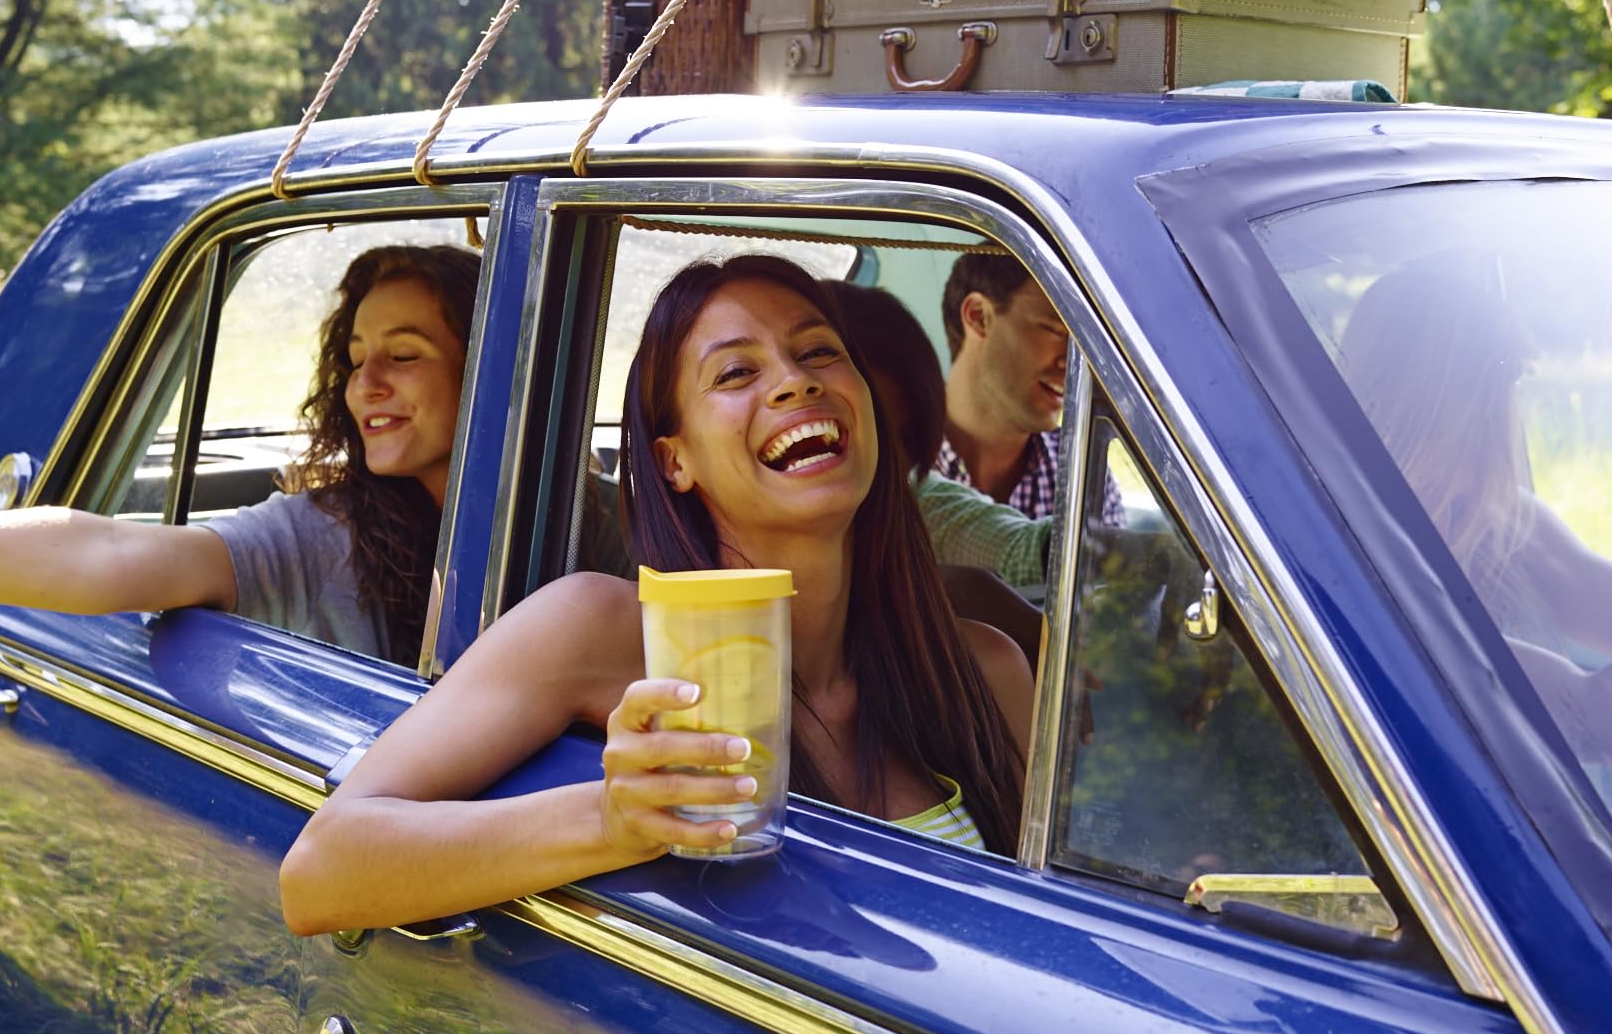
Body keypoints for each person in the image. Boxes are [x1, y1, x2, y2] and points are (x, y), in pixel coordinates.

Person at [279, 254, 1034, 936]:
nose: (796, 381)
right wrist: (610, 820)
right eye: (735, 373)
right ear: (675, 461)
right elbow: (319, 872)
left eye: (818, 353)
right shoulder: (604, 629)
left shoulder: (985, 673)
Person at [0, 244, 480, 666]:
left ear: (485, 364)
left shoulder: (531, 522)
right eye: (354, 361)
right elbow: (111, 552)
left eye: (403, 356)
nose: (364, 385)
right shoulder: (325, 533)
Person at [1338, 267, 1612, 767]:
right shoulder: (1364, 557)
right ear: (1463, 395)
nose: (1518, 399)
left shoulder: (1499, 520)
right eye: (1513, 372)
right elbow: (1598, 722)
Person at [827, 280, 1053, 590]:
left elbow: (1020, 547)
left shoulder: (913, 507)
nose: (885, 464)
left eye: (907, 441)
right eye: (846, 434)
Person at [937, 253, 1122, 526]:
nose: (1075, 364)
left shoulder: (1086, 477)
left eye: (1084, 346)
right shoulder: (889, 457)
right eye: (1055, 330)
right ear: (979, 316)